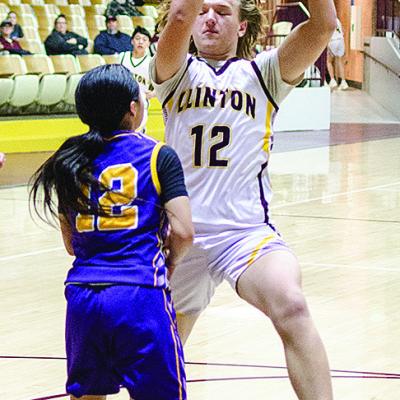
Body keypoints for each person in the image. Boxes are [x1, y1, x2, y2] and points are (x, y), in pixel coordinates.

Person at [150, 0, 337, 399]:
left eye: (223, 11)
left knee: (292, 305)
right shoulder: (173, 71)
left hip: (245, 234)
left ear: (241, 26)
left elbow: (323, 25)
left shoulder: (266, 72)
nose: (210, 18)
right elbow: (180, 16)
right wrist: (187, 13)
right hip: (182, 236)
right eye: (204, 10)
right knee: (161, 354)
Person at [30, 64, 193, 400]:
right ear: (133, 108)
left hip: (83, 296)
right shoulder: (158, 155)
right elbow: (184, 232)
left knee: (87, 395)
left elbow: (71, 244)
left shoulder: (69, 159)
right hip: (139, 293)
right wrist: (171, 262)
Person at [120, 26, 155, 131]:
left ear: (148, 44)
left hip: (140, 105)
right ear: (132, 41)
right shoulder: (122, 57)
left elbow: (163, 83)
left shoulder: (152, 62)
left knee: (136, 135)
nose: (140, 42)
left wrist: (154, 93)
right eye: (137, 38)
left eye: (144, 40)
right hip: (122, 103)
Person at [326, 17, 349, 90]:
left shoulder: (327, 20)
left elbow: (327, 33)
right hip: (340, 40)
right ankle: (343, 82)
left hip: (332, 41)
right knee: (340, 61)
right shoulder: (337, 20)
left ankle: (332, 80)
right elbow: (343, 31)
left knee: (329, 61)